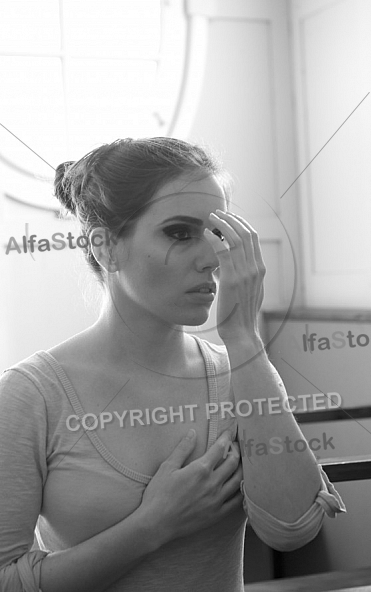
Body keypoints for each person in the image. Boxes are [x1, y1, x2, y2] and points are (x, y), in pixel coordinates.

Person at [0, 137, 346, 592]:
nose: (211, 260)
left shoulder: (239, 372)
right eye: (179, 233)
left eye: (217, 234)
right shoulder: (30, 396)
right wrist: (153, 525)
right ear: (105, 248)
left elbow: (292, 527)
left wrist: (243, 338)